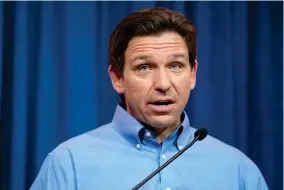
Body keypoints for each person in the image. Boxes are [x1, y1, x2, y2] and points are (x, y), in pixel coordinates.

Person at [30, 7, 269, 190]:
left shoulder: (239, 171)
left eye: (175, 66)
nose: (163, 84)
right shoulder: (68, 165)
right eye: (144, 67)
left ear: (193, 74)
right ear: (117, 78)